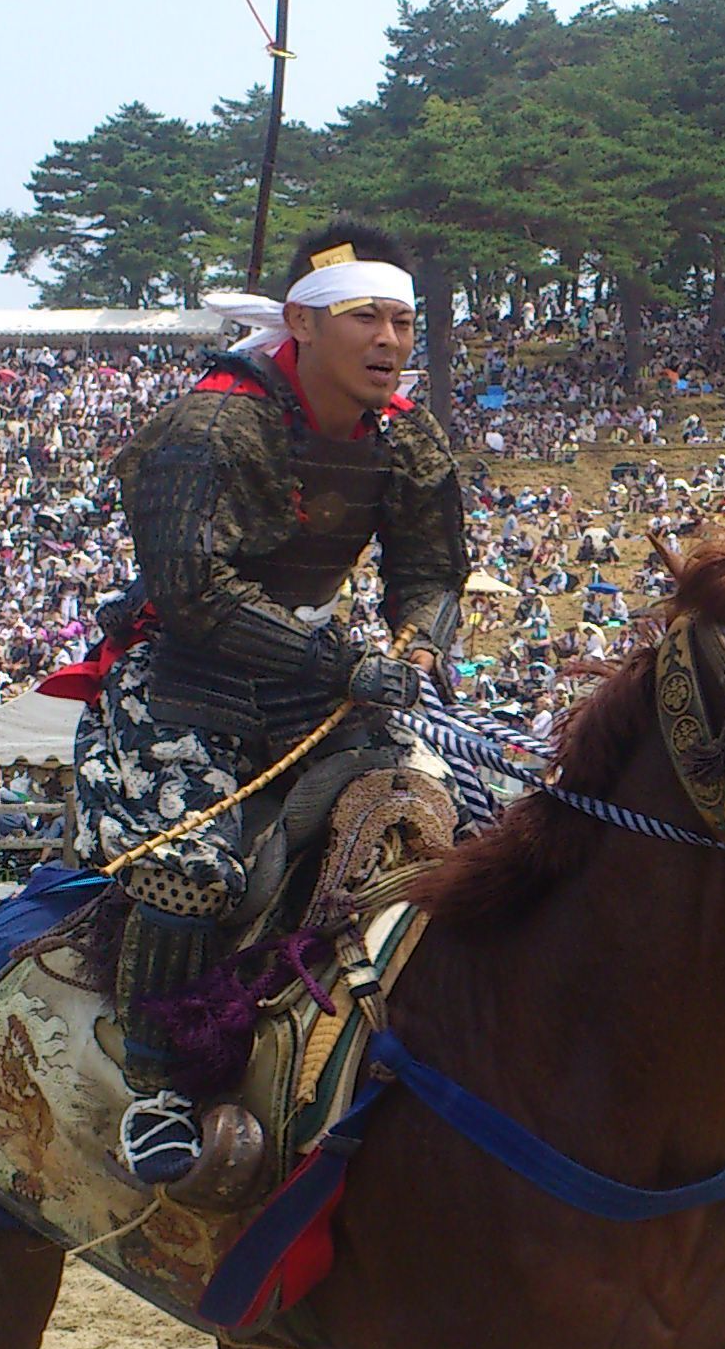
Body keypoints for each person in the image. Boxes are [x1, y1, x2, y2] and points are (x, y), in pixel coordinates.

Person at [71, 221, 467, 1182]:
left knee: (466, 827)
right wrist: (342, 664)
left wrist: (417, 648)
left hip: (322, 686)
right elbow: (194, 592)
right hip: (183, 681)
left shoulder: (407, 435)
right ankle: (160, 1089)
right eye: (368, 318)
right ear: (302, 323)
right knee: (192, 870)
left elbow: (434, 572)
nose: (391, 340)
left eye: (404, 322)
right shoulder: (207, 428)